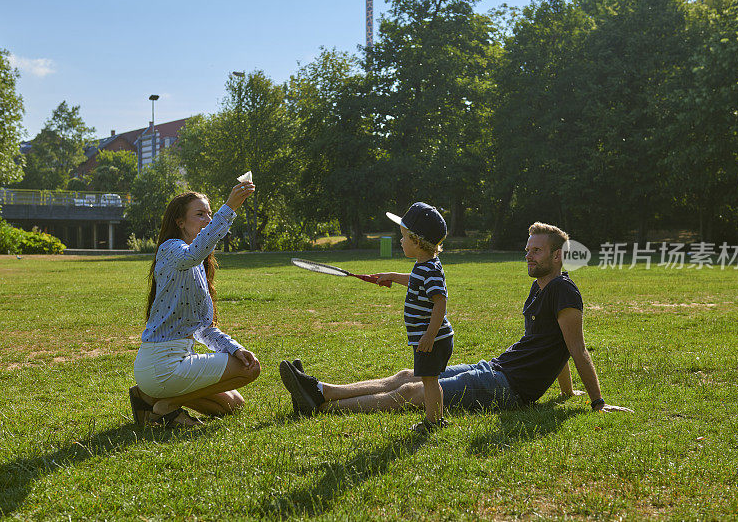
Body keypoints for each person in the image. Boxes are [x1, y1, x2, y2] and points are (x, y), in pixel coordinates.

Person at [278, 222, 633, 419]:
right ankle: (320, 390)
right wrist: (565, 392)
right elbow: (552, 346)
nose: (528, 255)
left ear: (557, 257)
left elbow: (575, 348)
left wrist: (597, 402)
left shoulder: (564, 292)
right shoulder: (541, 288)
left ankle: (324, 407)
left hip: (509, 387)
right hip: (496, 368)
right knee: (409, 375)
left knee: (413, 392)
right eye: (527, 249)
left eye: (536, 250)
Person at [283, 202, 454, 433]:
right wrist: (392, 276)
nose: (400, 241)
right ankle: (435, 419)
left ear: (416, 241)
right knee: (428, 379)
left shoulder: (430, 269)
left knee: (430, 381)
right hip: (429, 337)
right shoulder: (425, 265)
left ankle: (434, 422)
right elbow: (416, 280)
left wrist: (429, 335)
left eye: (403, 237)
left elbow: (440, 302)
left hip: (431, 338)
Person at [129, 182, 261, 428]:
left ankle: (147, 398)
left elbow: (204, 329)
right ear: (180, 222)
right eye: (200, 214)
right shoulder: (171, 249)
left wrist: (234, 348)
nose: (208, 219)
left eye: (209, 213)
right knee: (250, 371)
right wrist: (230, 207)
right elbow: (193, 253)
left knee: (233, 405)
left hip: (170, 366)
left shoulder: (197, 264)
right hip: (163, 364)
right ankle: (166, 407)